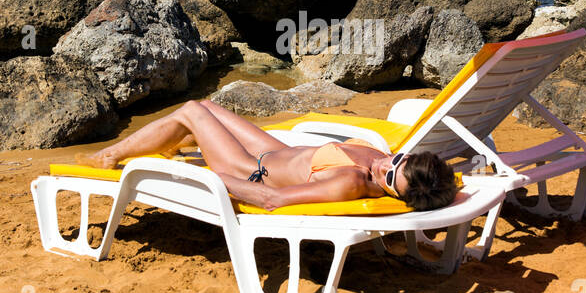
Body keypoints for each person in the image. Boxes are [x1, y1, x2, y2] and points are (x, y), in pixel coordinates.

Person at [80, 99, 457, 212]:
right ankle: (175, 140)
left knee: (192, 112)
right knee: (207, 105)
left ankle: (110, 156)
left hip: (249, 169)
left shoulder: (351, 182)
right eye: (398, 159)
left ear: (395, 193)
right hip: (274, 151)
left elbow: (271, 198)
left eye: (391, 177)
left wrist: (198, 177)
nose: (383, 165)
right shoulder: (379, 161)